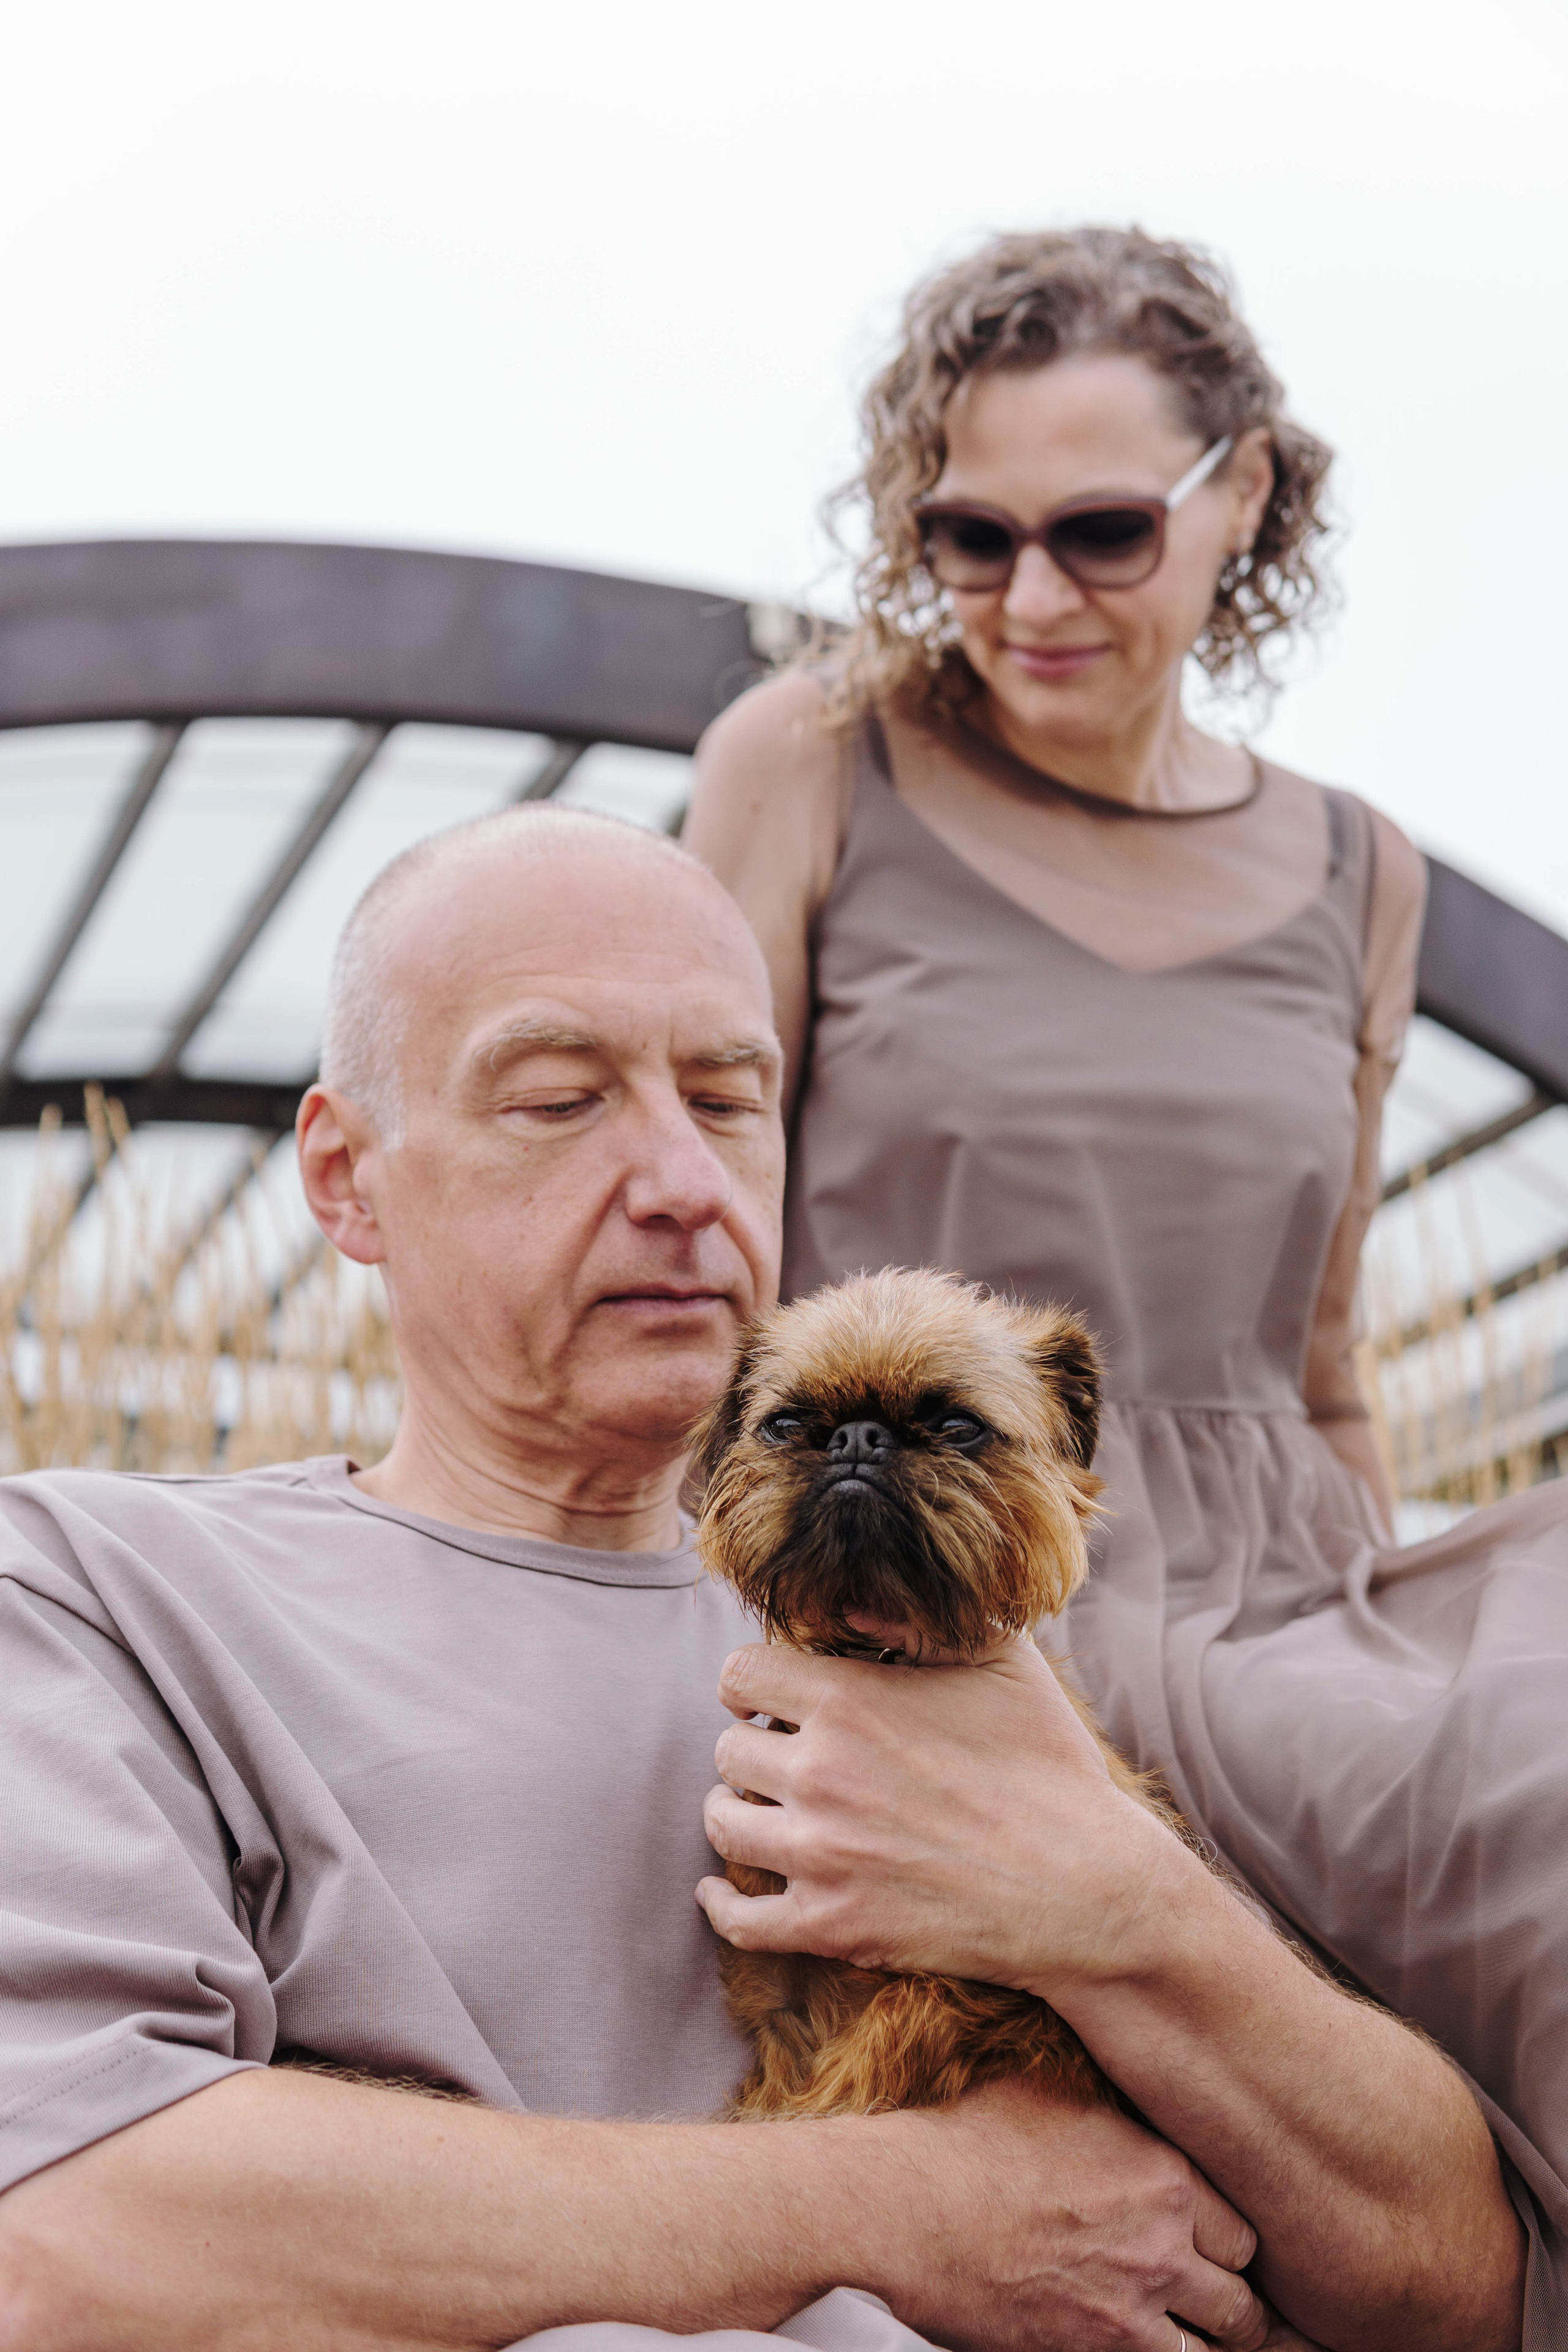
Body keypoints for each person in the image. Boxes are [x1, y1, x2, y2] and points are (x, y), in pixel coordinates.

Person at [0, 805, 1523, 2352]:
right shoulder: (95, 1584)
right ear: (345, 1178)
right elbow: (60, 2239)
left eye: (729, 1101)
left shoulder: (1009, 1643)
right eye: (555, 1100)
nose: (676, 1178)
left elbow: (1457, 2284)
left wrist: (1129, 1908)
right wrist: (918, 2213)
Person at [683, 225, 1568, 2340]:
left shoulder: (1365, 869)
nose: (1032, 600)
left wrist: (1385, 1681)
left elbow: (1324, 1350)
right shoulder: (813, 759)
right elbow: (693, 1213)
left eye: (1098, 531)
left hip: (1291, 1595)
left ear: (1241, 497)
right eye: (966, 536)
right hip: (966, 1569)